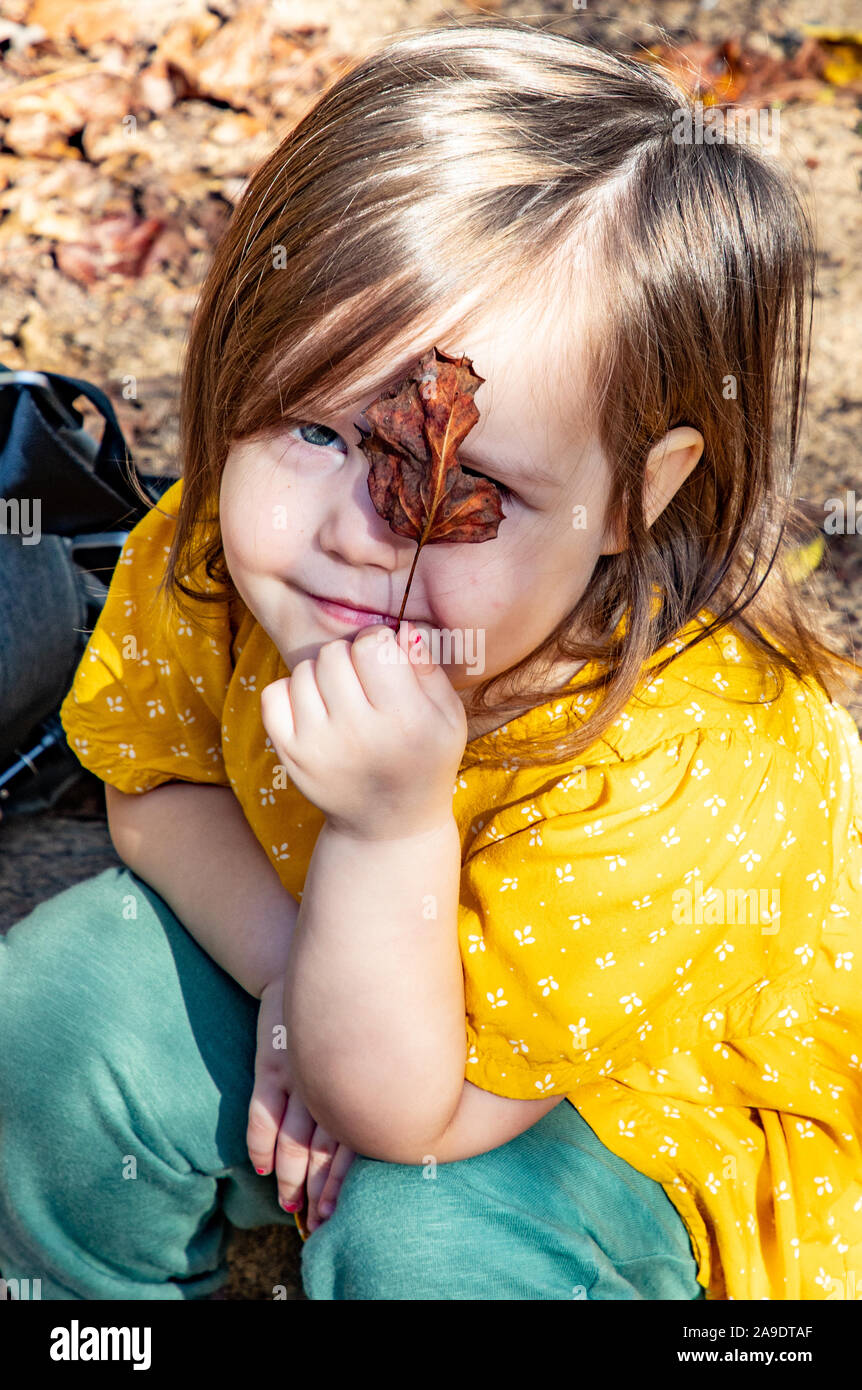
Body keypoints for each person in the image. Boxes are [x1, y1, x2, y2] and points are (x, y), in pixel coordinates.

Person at [1, 17, 860, 1302]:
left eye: (478, 492)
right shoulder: (222, 558)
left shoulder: (686, 757)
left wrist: (390, 830)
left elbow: (412, 1113)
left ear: (635, 495)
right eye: (316, 429)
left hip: (598, 1118)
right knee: (59, 1004)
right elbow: (154, 781)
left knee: (424, 1237)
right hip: (318, 971)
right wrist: (296, 971)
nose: (362, 534)